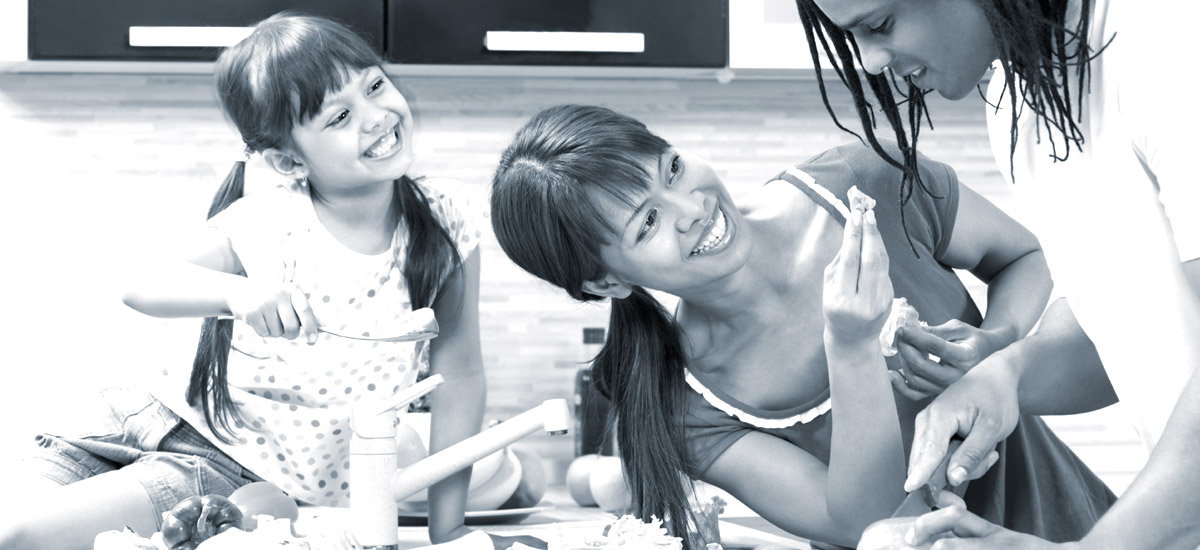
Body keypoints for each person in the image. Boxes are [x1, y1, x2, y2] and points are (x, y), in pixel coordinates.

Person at [0, 13, 536, 550]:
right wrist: (241, 293)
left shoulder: (446, 219)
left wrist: (449, 531)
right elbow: (137, 282)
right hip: (131, 416)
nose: (375, 117)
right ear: (288, 159)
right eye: (339, 116)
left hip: (217, 470)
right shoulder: (271, 221)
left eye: (374, 85)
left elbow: (459, 377)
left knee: (18, 536)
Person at [489, 104, 1116, 550]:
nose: (691, 210)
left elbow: (1025, 257)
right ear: (606, 283)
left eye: (672, 169)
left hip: (1075, 527)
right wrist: (851, 347)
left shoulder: (861, 184)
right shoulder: (684, 404)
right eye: (646, 224)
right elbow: (858, 522)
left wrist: (995, 348)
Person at [791, 0, 1200, 547]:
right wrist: (1007, 375)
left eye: (881, 24)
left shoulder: (1167, 42)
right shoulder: (1018, 98)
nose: (866, 62)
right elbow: (1140, 315)